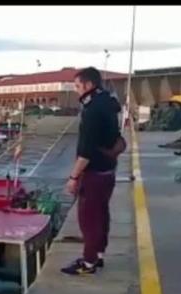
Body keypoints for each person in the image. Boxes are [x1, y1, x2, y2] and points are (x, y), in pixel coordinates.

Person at [61, 67, 124, 276]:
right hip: (108, 170)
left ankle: (88, 263)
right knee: (102, 215)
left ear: (88, 85)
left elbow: (86, 151)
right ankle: (98, 254)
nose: (77, 91)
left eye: (78, 86)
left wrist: (73, 177)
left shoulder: (92, 110)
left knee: (88, 219)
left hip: (94, 172)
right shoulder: (108, 104)